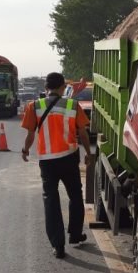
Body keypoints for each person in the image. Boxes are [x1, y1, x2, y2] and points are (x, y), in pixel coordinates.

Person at [21, 72, 94, 259]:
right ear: (62, 88)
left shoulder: (34, 106)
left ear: (46, 88)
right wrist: (89, 153)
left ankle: (58, 245)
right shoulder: (72, 105)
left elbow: (30, 134)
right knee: (76, 197)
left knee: (51, 202)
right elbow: (84, 133)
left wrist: (25, 149)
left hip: (47, 162)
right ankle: (75, 236)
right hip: (69, 158)